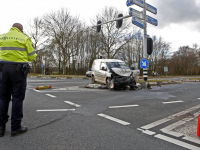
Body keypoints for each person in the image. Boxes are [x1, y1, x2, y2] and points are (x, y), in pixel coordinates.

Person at [0, 23, 37, 137]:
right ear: (21, 30)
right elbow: (32, 56)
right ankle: (16, 127)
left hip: (2, 70)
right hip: (18, 71)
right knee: (17, 98)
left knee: (3, 98)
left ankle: (1, 128)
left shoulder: (2, 37)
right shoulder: (24, 38)